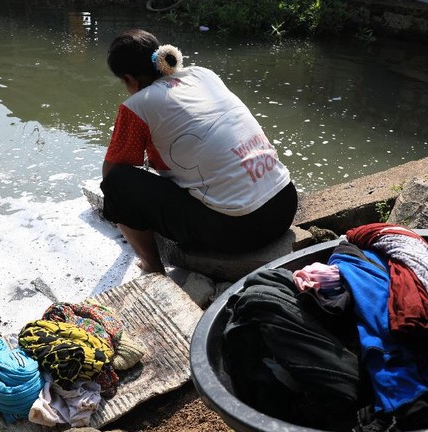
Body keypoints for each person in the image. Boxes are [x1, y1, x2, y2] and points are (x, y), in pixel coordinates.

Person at [100, 29, 298, 274]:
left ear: (129, 79)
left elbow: (111, 172)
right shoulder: (203, 75)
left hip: (240, 230)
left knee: (117, 183)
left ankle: (152, 267)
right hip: (285, 206)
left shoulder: (137, 105)